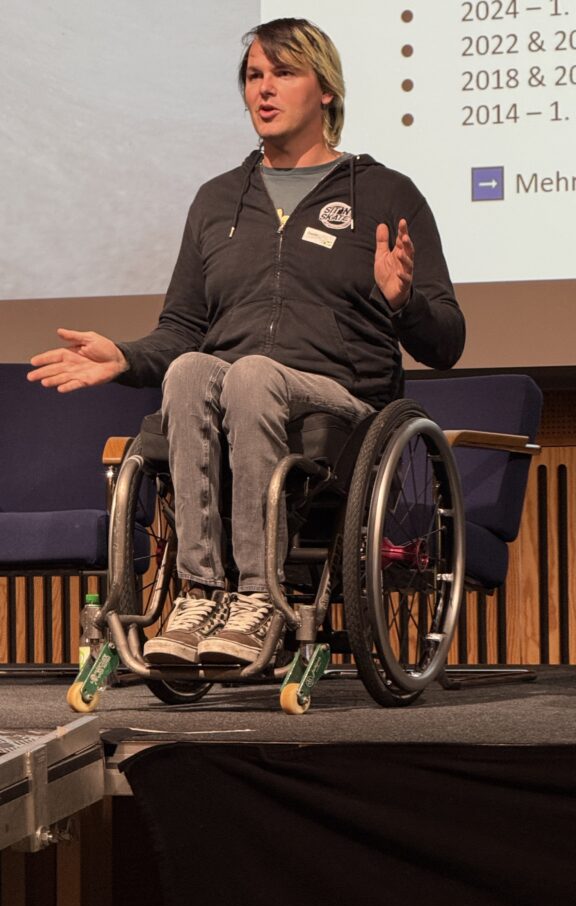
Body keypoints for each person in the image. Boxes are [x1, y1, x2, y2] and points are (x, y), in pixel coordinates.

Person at [28, 17, 465, 668]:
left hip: (342, 405)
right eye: (254, 76)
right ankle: (203, 594)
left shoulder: (384, 194)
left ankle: (259, 598)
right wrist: (125, 357)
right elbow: (180, 331)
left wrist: (403, 301)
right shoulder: (215, 201)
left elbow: (447, 341)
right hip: (232, 398)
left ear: (326, 90)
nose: (263, 89)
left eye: (283, 73)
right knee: (190, 374)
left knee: (250, 374)